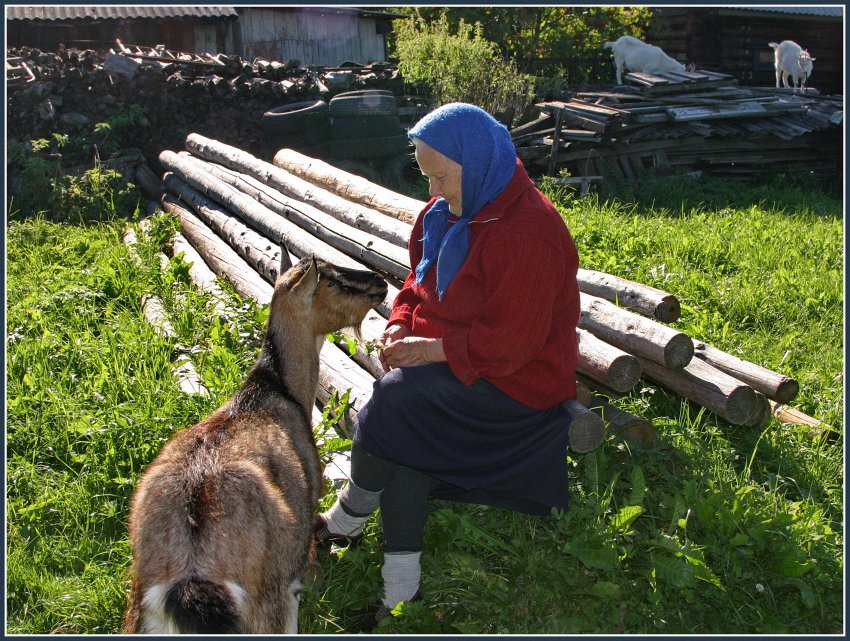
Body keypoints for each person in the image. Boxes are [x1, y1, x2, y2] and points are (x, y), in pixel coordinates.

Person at [313, 102, 581, 630]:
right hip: (464, 367)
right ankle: (399, 595)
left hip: (516, 388)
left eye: (441, 175)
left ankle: (347, 517)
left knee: (397, 399)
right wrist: (400, 323)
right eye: (425, 174)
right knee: (407, 438)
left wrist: (431, 349)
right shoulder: (445, 216)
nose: (432, 191)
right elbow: (418, 287)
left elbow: (513, 344)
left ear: (478, 162)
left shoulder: (529, 233)